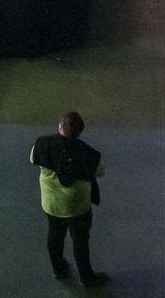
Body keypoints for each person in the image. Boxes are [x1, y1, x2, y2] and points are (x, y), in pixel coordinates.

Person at [29, 111, 108, 286]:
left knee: (55, 236)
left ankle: (59, 269)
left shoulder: (42, 144)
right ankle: (86, 278)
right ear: (79, 132)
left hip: (51, 205)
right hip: (78, 208)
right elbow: (100, 171)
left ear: (60, 126)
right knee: (80, 241)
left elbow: (32, 158)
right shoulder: (89, 154)